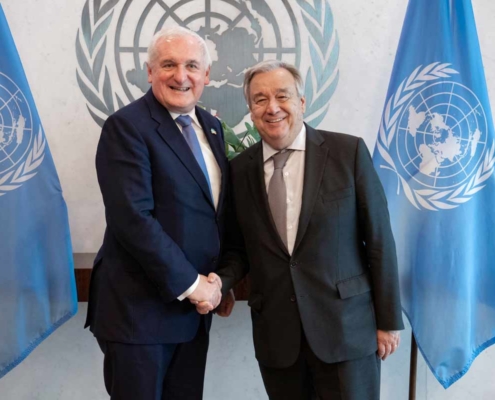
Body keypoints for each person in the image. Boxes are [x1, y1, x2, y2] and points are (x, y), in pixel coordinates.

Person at [199, 60, 404, 400]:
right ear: (250, 109)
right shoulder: (238, 170)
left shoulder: (347, 153)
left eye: (283, 96)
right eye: (260, 99)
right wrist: (222, 282)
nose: (273, 107)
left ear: (302, 102)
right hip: (278, 338)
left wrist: (388, 320)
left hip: (347, 333)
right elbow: (237, 248)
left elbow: (379, 240)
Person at [85, 26, 233, 400]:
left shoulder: (212, 128)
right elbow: (133, 220)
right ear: (150, 72)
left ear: (207, 76)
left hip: (193, 315)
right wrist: (195, 284)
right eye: (168, 64)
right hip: (140, 315)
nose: (180, 76)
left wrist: (219, 283)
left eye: (192, 65)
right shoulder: (127, 126)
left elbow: (214, 216)